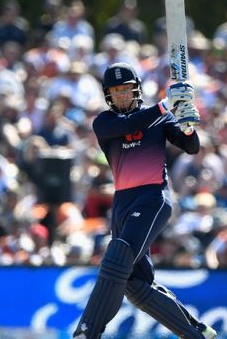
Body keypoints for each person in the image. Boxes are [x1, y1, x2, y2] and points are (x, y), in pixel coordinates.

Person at [73, 62, 215, 338]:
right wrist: (165, 105)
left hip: (153, 197)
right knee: (135, 284)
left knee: (118, 256)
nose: (122, 96)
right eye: (116, 91)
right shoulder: (104, 123)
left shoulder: (159, 117)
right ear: (108, 95)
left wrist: (187, 126)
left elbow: (191, 147)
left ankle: (87, 331)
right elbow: (131, 124)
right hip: (122, 203)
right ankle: (198, 333)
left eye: (126, 90)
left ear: (136, 89)